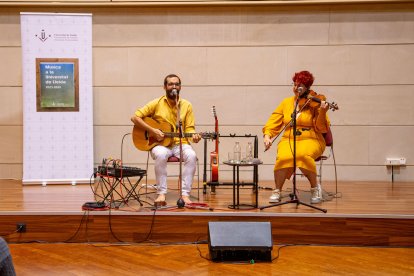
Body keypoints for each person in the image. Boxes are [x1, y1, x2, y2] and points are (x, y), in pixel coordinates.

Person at [131, 74, 201, 205]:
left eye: (176, 84)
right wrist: (153, 131)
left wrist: (194, 136)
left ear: (180, 87)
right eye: (170, 84)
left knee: (191, 155)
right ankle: (161, 193)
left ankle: (185, 194)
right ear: (164, 87)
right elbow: (135, 117)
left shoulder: (186, 105)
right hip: (160, 145)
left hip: (181, 143)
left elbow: (190, 129)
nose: (174, 86)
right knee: (161, 154)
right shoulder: (156, 103)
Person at [263, 70, 330, 204]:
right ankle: (277, 190)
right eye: (294, 84)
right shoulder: (286, 103)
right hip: (289, 138)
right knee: (283, 156)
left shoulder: (315, 104)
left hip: (312, 138)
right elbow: (273, 120)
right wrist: (267, 135)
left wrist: (322, 111)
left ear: (307, 87)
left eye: (300, 85)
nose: (296, 88)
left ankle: (314, 188)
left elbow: (322, 128)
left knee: (302, 155)